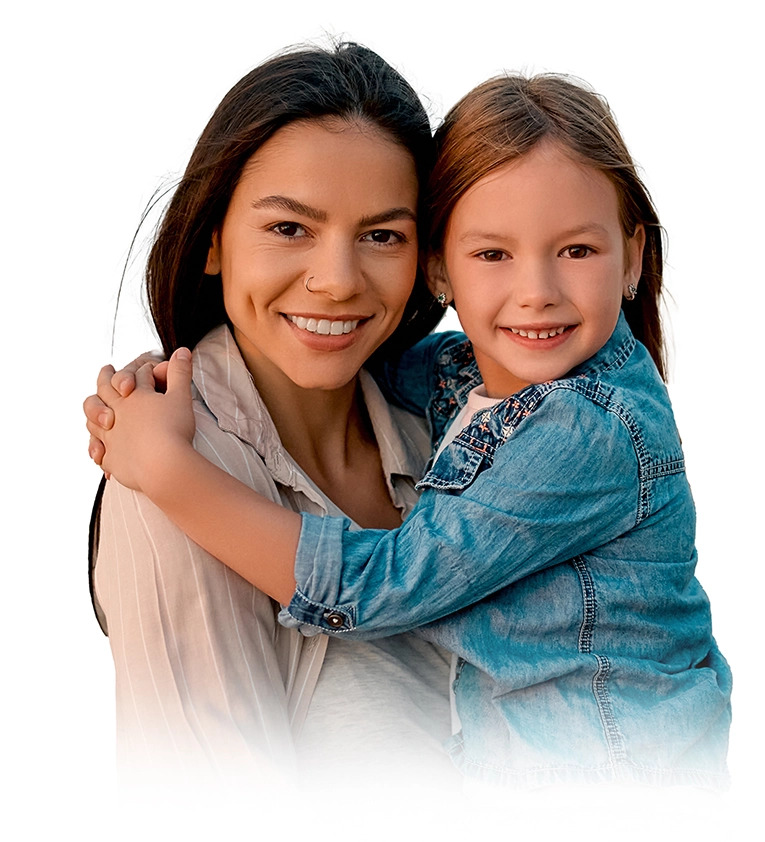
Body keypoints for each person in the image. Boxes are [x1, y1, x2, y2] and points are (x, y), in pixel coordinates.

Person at [89, 73, 731, 789]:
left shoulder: (574, 428)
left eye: (380, 235)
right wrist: (168, 377)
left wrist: (170, 462)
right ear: (442, 268)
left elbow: (382, 584)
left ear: (633, 255)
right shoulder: (459, 383)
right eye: (289, 227)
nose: (537, 291)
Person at [85, 41, 459, 790]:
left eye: (382, 235)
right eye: (289, 228)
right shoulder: (173, 479)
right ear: (213, 239)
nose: (336, 280)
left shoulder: (452, 427)